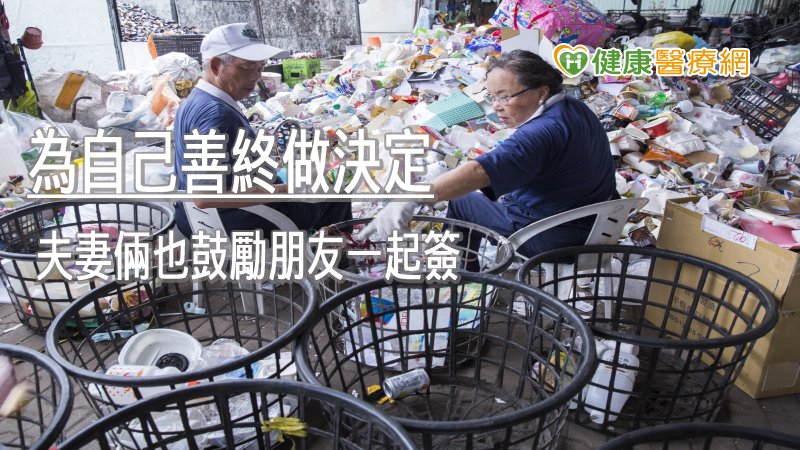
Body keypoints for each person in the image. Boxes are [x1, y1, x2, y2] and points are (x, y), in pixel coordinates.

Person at [359, 50, 617, 259]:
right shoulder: (574, 107)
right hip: (600, 224)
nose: (496, 107)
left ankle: (461, 278)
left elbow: (479, 171)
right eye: (492, 97)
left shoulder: (541, 132)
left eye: (505, 97)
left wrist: (411, 198)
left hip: (556, 236)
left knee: (462, 201)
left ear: (541, 92)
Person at [173, 23, 351, 238]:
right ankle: (337, 253)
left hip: (200, 217)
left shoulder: (195, 100)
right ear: (216, 65)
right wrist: (286, 190)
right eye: (247, 67)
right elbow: (205, 196)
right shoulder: (217, 114)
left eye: (260, 67)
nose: (255, 77)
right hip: (238, 222)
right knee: (337, 191)